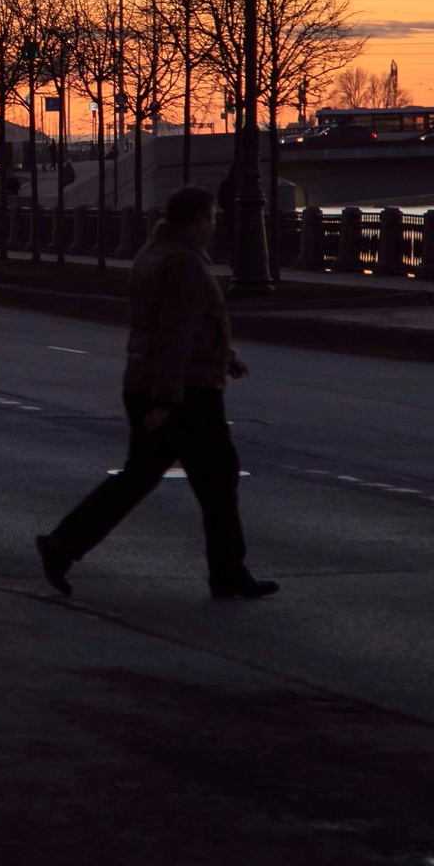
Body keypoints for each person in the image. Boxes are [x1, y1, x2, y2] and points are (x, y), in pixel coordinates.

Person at [36, 185, 276, 601]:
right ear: (198, 222)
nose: (214, 225)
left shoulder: (154, 253)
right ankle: (228, 573)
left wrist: (225, 356)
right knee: (218, 478)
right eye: (212, 218)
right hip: (186, 392)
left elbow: (179, 324)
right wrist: (165, 400)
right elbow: (175, 333)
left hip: (152, 383)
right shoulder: (185, 264)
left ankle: (63, 544)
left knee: (140, 478)